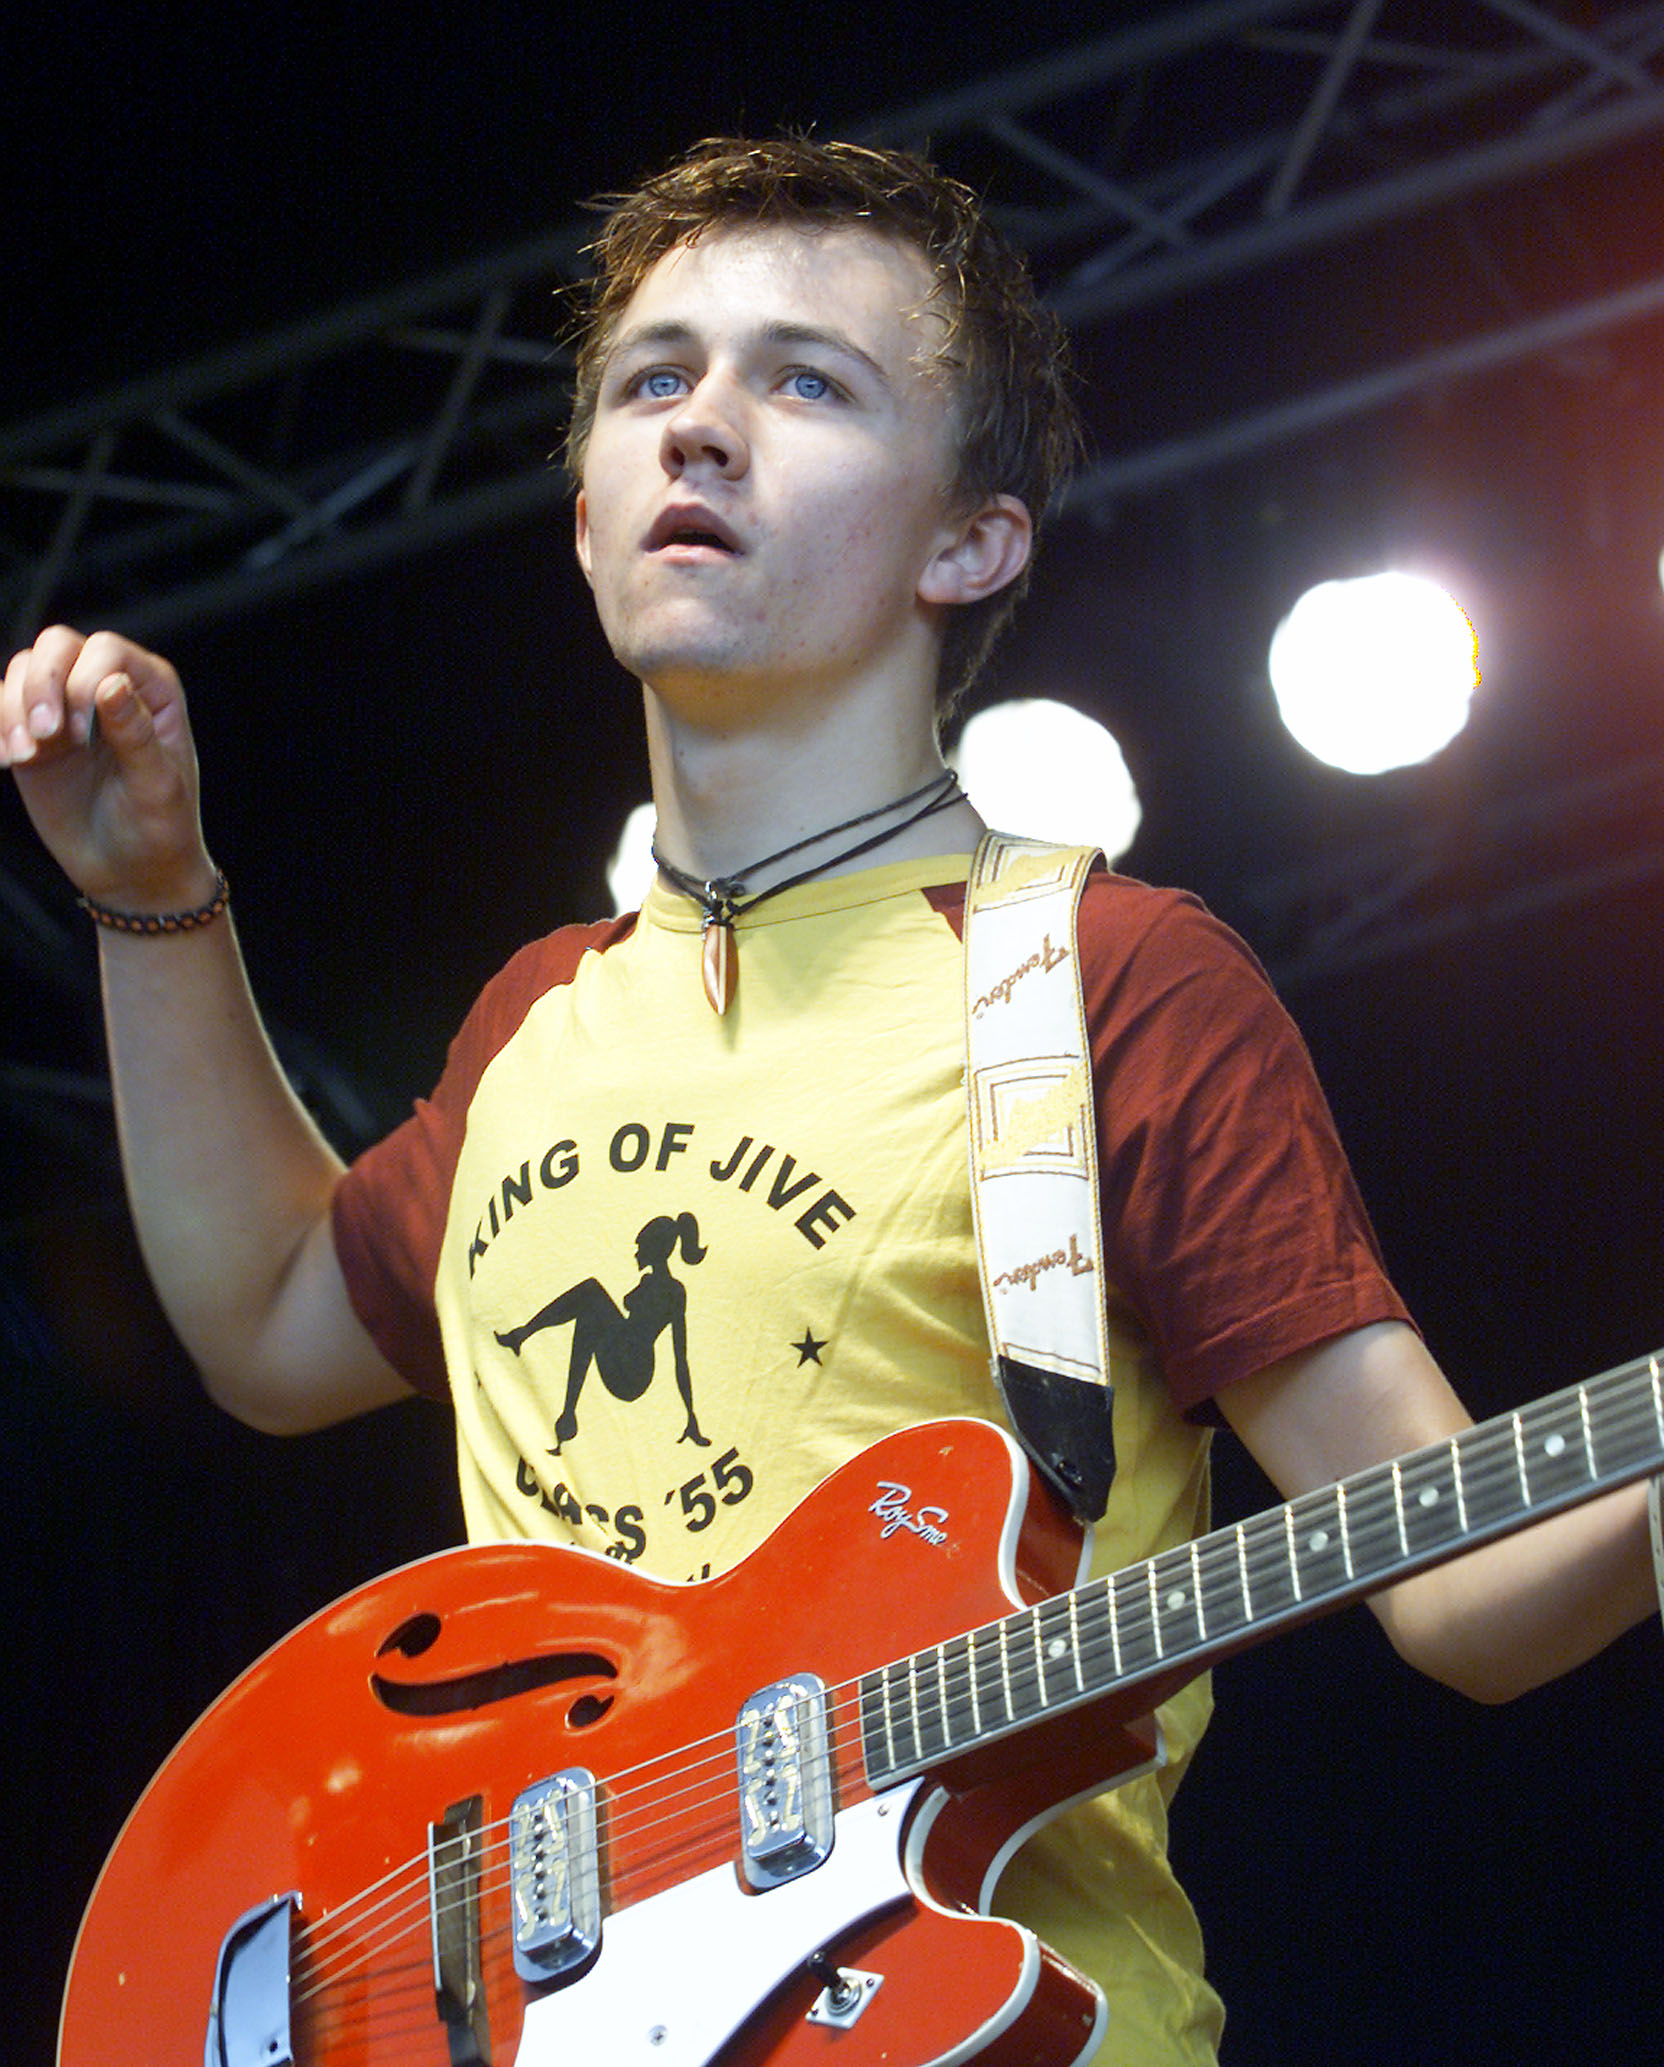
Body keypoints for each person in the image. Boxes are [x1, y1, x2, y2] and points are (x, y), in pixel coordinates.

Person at [3, 137, 1656, 2064]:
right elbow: (274, 1324)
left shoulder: (1105, 977)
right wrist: (148, 900)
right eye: (653, 379)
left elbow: (1456, 1584)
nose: (702, 427)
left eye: (808, 381)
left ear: (975, 542)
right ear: (585, 512)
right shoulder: (545, 1018)